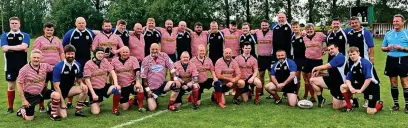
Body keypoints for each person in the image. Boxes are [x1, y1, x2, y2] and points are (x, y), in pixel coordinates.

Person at [15, 50, 61, 121]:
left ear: (41, 58)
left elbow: (56, 69)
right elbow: (19, 84)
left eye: (38, 58)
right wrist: (23, 100)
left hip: (42, 91)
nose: (36, 59)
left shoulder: (45, 66)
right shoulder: (24, 70)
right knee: (30, 119)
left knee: (56, 95)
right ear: (30, 58)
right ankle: (22, 110)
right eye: (34, 57)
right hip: (30, 95)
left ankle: (53, 114)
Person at [62, 17, 95, 107]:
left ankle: (84, 100)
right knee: (72, 80)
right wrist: (69, 58)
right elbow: (64, 46)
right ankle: (69, 101)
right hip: (73, 61)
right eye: (79, 23)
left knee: (86, 79)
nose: (81, 24)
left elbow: (93, 45)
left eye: (83, 23)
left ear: (85, 23)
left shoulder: (90, 33)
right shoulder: (70, 33)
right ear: (76, 24)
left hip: (86, 61)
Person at [340, 47, 383, 114]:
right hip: (362, 85)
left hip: (372, 87)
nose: (352, 56)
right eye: (350, 55)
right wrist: (351, 88)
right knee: (343, 86)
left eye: (354, 54)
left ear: (358, 53)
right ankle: (349, 107)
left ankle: (380, 104)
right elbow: (348, 79)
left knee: (370, 112)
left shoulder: (365, 63)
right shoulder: (353, 66)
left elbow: (368, 79)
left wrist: (361, 90)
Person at [33, 23, 65, 113]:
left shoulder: (57, 40)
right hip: (43, 68)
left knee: (56, 86)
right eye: (48, 30)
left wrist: (63, 63)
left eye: (51, 30)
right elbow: (35, 53)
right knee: (43, 87)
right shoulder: (39, 40)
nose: (49, 32)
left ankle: (53, 105)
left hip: (56, 67)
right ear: (44, 30)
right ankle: (41, 105)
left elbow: (61, 52)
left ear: (53, 30)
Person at [1, 17, 30, 114]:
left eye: (16, 23)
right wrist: (19, 48)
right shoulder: (4, 35)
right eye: (12, 23)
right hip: (10, 66)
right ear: (9, 24)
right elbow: (4, 49)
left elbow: (24, 46)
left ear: (19, 24)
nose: (14, 24)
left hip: (23, 66)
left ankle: (25, 104)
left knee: (25, 86)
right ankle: (10, 107)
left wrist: (10, 48)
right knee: (11, 86)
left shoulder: (25, 35)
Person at [52, 44, 88, 117]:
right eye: (68, 54)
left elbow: (79, 79)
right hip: (58, 92)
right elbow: (56, 86)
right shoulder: (58, 66)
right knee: (64, 116)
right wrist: (62, 102)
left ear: (75, 54)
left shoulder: (77, 65)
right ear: (65, 54)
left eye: (72, 54)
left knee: (85, 88)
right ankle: (51, 105)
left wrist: (81, 84)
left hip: (69, 89)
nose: (70, 56)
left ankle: (78, 111)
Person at [83, 47, 122, 116]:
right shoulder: (88, 64)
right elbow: (87, 80)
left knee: (117, 89)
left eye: (102, 53)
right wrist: (93, 94)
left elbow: (113, 72)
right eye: (99, 53)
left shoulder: (105, 61)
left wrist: (116, 84)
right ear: (94, 54)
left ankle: (115, 109)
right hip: (94, 90)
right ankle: (97, 102)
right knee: (96, 112)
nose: (100, 55)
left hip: (104, 87)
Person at [381, 14, 408, 112]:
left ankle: (407, 105)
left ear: (402, 22)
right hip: (391, 59)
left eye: (397, 21)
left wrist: (403, 48)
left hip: (404, 59)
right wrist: (387, 48)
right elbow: (382, 47)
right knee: (393, 82)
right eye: (394, 21)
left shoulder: (406, 33)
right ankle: (396, 104)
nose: (395, 23)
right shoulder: (388, 34)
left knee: (405, 82)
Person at [140, 43, 178, 111]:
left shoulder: (164, 55)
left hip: (162, 85)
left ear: (159, 49)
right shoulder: (145, 60)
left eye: (156, 49)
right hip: (152, 89)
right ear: (149, 50)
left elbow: (171, 67)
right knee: (152, 109)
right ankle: (138, 99)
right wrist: (148, 91)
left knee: (176, 84)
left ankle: (171, 105)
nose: (154, 51)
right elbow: (144, 79)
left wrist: (175, 78)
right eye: (153, 49)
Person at [310, 43, 348, 109]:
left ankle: (352, 101)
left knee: (336, 107)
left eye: (332, 49)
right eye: (329, 49)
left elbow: (327, 66)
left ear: (337, 48)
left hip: (339, 84)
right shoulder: (334, 58)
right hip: (332, 81)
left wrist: (316, 68)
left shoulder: (340, 57)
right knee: (312, 80)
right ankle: (320, 99)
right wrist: (320, 73)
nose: (330, 50)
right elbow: (330, 73)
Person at [111, 46, 146, 112]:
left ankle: (140, 107)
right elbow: (111, 72)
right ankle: (132, 99)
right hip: (121, 86)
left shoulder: (133, 59)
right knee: (124, 108)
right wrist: (113, 84)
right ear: (120, 53)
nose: (125, 54)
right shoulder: (114, 60)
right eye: (123, 52)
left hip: (131, 84)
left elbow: (137, 71)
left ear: (129, 52)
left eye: (126, 52)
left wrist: (138, 82)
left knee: (140, 87)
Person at [301, 23, 326, 102]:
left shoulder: (320, 35)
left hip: (318, 60)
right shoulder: (304, 37)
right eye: (307, 29)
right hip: (308, 60)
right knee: (308, 78)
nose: (309, 30)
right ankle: (312, 96)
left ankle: (320, 96)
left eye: (310, 29)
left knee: (318, 79)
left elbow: (329, 39)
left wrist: (325, 49)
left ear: (313, 28)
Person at [255, 19, 273, 94]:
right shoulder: (257, 33)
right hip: (261, 57)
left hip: (270, 57)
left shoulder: (273, 33)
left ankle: (271, 92)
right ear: (261, 26)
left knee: (271, 75)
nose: (264, 26)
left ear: (268, 25)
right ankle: (260, 91)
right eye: (263, 25)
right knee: (261, 75)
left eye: (266, 25)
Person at [290, 21, 306, 97]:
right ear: (291, 28)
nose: (295, 28)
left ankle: (308, 95)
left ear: (299, 27)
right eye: (293, 27)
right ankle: (296, 94)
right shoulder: (292, 37)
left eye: (296, 27)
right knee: (297, 78)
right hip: (296, 60)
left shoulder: (304, 36)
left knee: (306, 79)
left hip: (305, 59)